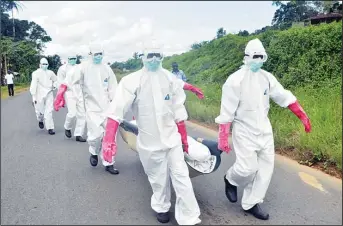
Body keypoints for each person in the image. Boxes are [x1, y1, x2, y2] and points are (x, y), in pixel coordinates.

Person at [101, 42, 201, 225]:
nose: (154, 59)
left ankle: (189, 217)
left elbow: (178, 111)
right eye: (150, 55)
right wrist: (109, 141)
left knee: (181, 176)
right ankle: (161, 207)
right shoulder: (131, 81)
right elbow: (116, 110)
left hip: (172, 139)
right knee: (158, 179)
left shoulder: (169, 78)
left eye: (157, 55)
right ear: (143, 57)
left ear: (162, 56)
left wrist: (184, 138)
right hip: (149, 141)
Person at [215, 38, 312, 220]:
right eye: (255, 56)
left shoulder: (267, 78)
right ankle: (231, 179)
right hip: (244, 131)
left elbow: (283, 96)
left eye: (262, 57)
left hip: (264, 130)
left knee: (265, 170)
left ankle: (251, 203)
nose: (258, 60)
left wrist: (302, 116)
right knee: (247, 169)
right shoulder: (234, 81)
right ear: (246, 57)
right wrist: (223, 137)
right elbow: (226, 112)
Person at [54, 43, 119, 175]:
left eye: (100, 54)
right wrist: (61, 93)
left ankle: (109, 162)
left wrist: (116, 104)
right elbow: (69, 79)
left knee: (110, 136)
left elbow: (113, 88)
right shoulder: (83, 67)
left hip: (108, 108)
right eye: (96, 54)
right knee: (95, 136)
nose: (98, 56)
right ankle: (94, 152)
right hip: (91, 108)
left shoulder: (107, 69)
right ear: (90, 55)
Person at [56, 54, 86, 142]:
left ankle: (79, 134)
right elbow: (60, 82)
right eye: (71, 58)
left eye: (74, 58)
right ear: (68, 59)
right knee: (72, 113)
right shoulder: (62, 68)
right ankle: (67, 127)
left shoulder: (79, 68)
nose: (72, 60)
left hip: (79, 90)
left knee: (82, 114)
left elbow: (83, 80)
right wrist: (61, 95)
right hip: (68, 91)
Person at [30, 58, 58, 135]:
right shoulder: (35, 73)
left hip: (49, 93)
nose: (45, 65)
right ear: (40, 65)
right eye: (43, 64)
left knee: (49, 111)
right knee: (39, 112)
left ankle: (50, 128)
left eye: (46, 64)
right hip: (39, 94)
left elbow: (56, 80)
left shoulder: (50, 73)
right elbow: (33, 85)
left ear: (48, 65)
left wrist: (54, 85)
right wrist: (34, 97)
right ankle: (40, 120)